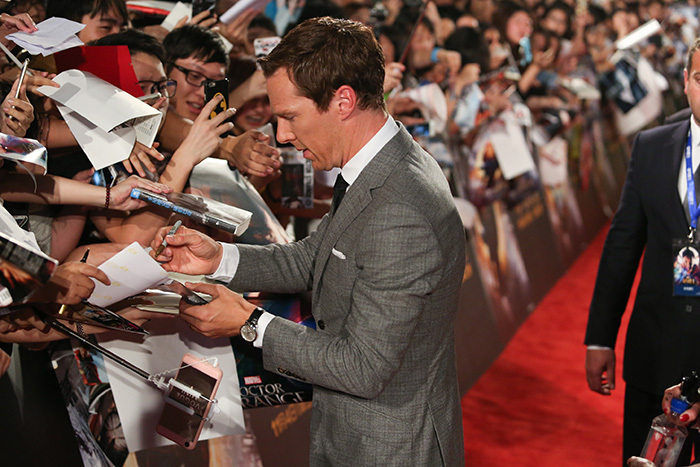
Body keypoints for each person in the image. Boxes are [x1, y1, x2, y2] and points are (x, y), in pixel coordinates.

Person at [151, 16, 466, 465]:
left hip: (389, 448)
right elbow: (316, 257)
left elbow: (362, 367)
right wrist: (218, 258)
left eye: (290, 116)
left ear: (343, 101)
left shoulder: (401, 209)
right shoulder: (379, 162)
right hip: (355, 432)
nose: (281, 135)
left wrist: (248, 321)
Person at [585, 37, 700, 465]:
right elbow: (623, 245)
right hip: (655, 353)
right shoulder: (651, 146)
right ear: (685, 81)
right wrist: (600, 337)